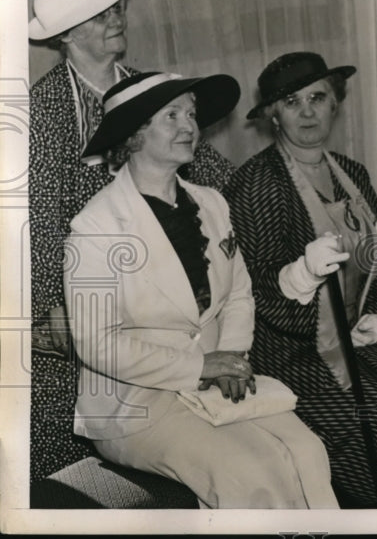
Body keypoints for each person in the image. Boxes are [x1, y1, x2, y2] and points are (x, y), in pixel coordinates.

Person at [63, 70, 339, 509]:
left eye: (191, 113)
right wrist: (200, 367)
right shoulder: (94, 228)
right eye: (171, 116)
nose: (189, 125)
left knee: (307, 452)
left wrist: (229, 358)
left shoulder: (211, 203)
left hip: (215, 384)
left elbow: (239, 293)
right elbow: (97, 344)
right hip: (136, 405)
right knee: (249, 472)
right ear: (134, 135)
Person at [225, 52, 377, 508]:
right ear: (273, 116)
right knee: (374, 411)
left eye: (317, 98)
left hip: (355, 332)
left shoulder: (352, 174)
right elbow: (256, 292)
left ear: (335, 104)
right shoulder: (257, 184)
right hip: (287, 347)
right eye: (291, 101)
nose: (307, 112)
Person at [28, 0, 234, 486]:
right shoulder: (44, 110)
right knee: (66, 417)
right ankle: (106, 504)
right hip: (82, 289)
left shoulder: (148, 89)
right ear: (66, 35)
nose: (117, 18)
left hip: (162, 279)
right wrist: (55, 304)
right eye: (100, 14)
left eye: (118, 7)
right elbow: (37, 219)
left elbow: (209, 172)